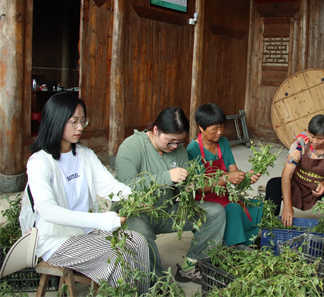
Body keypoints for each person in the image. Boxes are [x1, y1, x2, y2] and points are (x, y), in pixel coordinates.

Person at [20, 92, 150, 293]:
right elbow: (49, 212)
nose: (80, 127)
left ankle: (143, 292)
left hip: (85, 231)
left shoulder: (84, 155)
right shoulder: (40, 162)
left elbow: (109, 186)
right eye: (74, 121)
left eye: (83, 121)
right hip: (57, 239)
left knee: (139, 242)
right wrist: (103, 221)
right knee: (116, 257)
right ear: (56, 121)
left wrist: (134, 197)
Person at [115, 107, 226, 285]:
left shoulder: (179, 151)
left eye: (180, 142)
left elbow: (180, 191)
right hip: (134, 213)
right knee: (141, 234)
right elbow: (125, 185)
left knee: (215, 212)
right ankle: (155, 282)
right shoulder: (131, 146)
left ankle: (190, 266)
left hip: (165, 212)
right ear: (156, 130)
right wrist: (168, 176)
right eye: (170, 141)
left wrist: (187, 188)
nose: (175, 146)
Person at [186, 103, 263, 248]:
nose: (220, 132)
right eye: (214, 129)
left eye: (221, 127)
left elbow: (233, 170)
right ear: (201, 128)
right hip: (204, 200)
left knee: (258, 206)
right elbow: (199, 187)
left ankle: (241, 242)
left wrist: (245, 176)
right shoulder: (193, 149)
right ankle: (234, 246)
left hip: (224, 196)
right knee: (233, 209)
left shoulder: (223, 143)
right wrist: (226, 178)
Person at [265, 114, 324, 240]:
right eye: (312, 136)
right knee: (273, 185)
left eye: (320, 138)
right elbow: (287, 174)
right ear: (307, 131)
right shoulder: (301, 141)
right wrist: (287, 206)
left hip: (319, 187)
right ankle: (270, 226)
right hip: (297, 182)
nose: (314, 141)